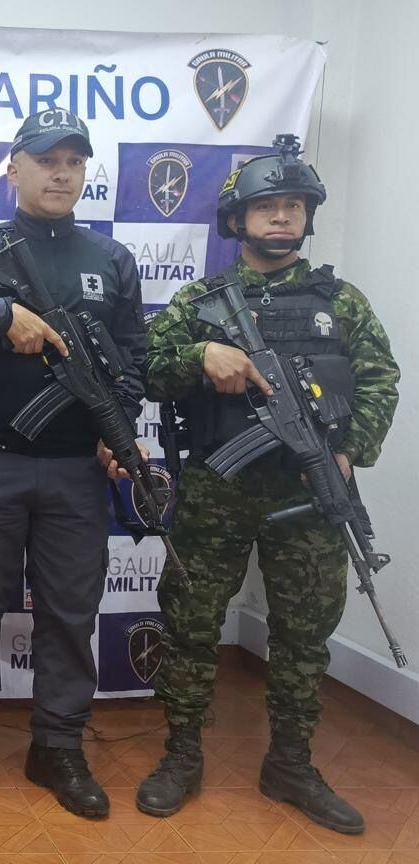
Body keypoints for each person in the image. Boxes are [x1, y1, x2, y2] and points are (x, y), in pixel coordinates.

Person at [136, 136, 400, 834]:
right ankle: (182, 756)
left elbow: (381, 380)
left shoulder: (341, 302)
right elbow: (151, 371)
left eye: (293, 207)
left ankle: (290, 763)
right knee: (192, 626)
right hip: (219, 491)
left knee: (304, 635)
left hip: (309, 497)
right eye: (266, 207)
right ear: (238, 220)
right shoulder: (202, 298)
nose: (281, 218)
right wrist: (201, 352)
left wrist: (348, 452)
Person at [0, 108, 148, 816]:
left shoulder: (112, 260)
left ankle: (59, 749)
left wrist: (117, 425)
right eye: (46, 159)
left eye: (74, 160)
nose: (61, 171)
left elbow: (134, 360)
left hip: (76, 470)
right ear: (13, 168)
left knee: (71, 617)